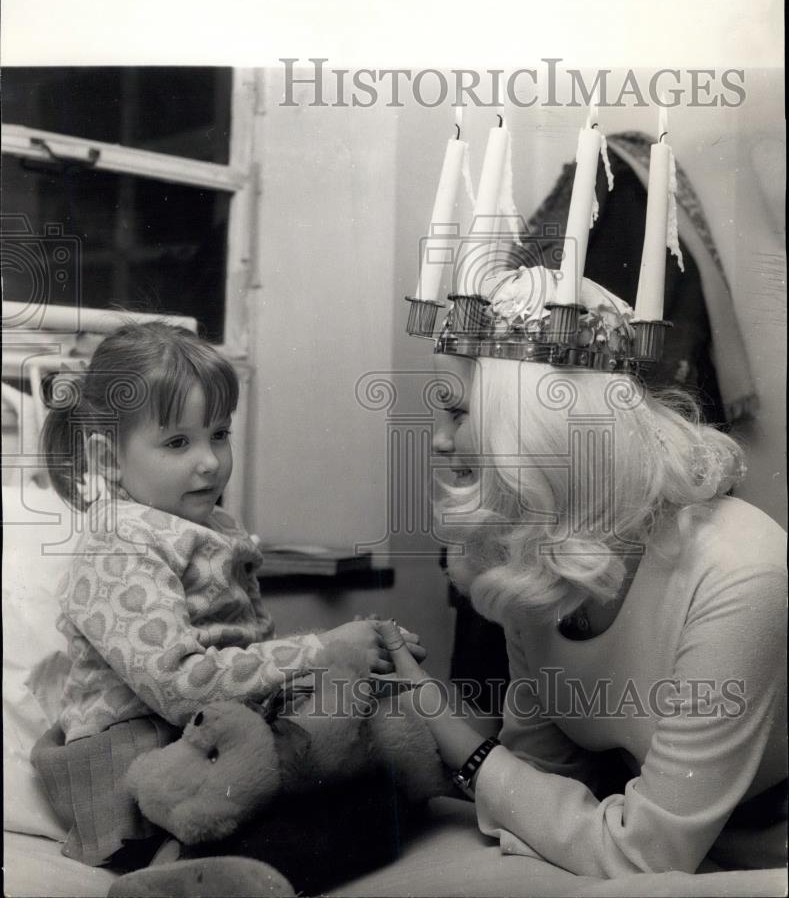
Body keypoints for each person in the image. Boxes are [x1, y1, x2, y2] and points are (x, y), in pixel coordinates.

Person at [394, 266, 787, 879]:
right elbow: (537, 780)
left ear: (533, 424)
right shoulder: (533, 560)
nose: (439, 442)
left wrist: (456, 740)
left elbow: (646, 853)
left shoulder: (739, 571)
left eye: (459, 413)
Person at [34, 320, 423, 881]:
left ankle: (211, 869)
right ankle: (180, 870)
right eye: (177, 442)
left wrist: (353, 658)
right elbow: (178, 686)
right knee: (341, 800)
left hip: (210, 742)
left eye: (219, 434)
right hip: (134, 766)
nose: (210, 461)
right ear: (108, 458)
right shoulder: (121, 542)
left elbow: (250, 652)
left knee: (381, 786)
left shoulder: (214, 528)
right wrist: (321, 651)